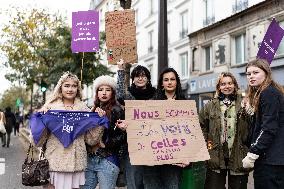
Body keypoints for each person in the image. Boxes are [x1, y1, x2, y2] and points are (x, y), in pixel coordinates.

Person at [30, 72, 105, 189]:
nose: (70, 89)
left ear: (78, 88)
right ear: (61, 87)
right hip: (54, 163)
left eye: (74, 86)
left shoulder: (84, 109)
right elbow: (37, 141)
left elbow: (90, 140)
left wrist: (100, 122)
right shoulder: (50, 107)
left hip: (76, 165)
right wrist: (41, 120)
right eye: (67, 85)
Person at [199, 72, 253, 189]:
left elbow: (252, 126)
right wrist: (206, 146)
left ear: (235, 85)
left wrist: (250, 110)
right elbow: (201, 126)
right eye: (223, 84)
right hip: (215, 155)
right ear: (219, 87)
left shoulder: (244, 103)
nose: (227, 86)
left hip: (239, 155)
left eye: (230, 83)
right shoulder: (210, 106)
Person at [242, 59, 284, 189]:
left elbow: (268, 128)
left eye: (256, 72)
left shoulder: (268, 93)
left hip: (270, 160)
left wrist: (253, 153)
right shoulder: (266, 92)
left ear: (266, 73)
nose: (251, 76)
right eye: (248, 74)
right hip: (273, 159)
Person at [143, 67, 186, 189]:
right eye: (166, 80)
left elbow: (190, 132)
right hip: (152, 158)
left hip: (174, 160)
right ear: (162, 83)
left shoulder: (185, 104)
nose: (169, 82)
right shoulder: (151, 102)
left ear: (177, 82)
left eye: (172, 79)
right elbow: (144, 127)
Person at [116, 59, 156, 189]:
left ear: (148, 78)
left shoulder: (156, 95)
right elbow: (120, 94)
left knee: (150, 182)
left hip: (153, 145)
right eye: (137, 76)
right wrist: (121, 70)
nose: (140, 78)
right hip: (132, 146)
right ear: (133, 79)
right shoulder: (130, 96)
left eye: (143, 75)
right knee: (133, 182)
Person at [83, 75, 126, 189]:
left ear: (112, 92)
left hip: (108, 159)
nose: (104, 93)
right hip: (90, 158)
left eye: (108, 90)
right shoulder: (92, 109)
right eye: (101, 89)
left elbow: (122, 136)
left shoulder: (117, 109)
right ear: (97, 93)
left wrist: (106, 144)